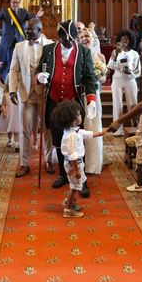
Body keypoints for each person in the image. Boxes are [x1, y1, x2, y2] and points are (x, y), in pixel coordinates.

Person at [36, 21, 97, 195]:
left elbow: (89, 78)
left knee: (77, 143)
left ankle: (81, 179)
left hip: (74, 103)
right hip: (54, 102)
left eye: (72, 40)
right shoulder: (48, 50)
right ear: (59, 37)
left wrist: (91, 100)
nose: (69, 43)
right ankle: (63, 175)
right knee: (59, 142)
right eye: (65, 40)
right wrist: (39, 75)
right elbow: (39, 69)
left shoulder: (84, 52)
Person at [8, 18, 54, 177]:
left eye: (30, 30)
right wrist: (12, 90)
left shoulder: (50, 45)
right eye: (26, 29)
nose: (26, 32)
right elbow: (13, 70)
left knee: (47, 129)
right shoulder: (19, 46)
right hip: (25, 94)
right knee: (24, 130)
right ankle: (24, 163)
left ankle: (48, 160)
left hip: (45, 94)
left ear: (39, 29)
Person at [51, 100, 106, 218]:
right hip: (74, 164)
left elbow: (87, 133)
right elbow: (72, 156)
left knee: (75, 185)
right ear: (73, 120)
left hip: (75, 163)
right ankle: (68, 209)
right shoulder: (71, 136)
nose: (81, 116)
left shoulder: (73, 131)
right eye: (79, 114)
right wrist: (76, 170)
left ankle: (70, 202)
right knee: (75, 186)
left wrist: (102, 133)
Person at [0, 0, 43, 82]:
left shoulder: (23, 12)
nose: (15, 4)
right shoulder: (5, 11)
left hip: (20, 41)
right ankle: (8, 80)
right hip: (8, 42)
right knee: (10, 63)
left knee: (20, 61)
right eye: (13, 2)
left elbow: (31, 17)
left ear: (19, 3)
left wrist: (37, 15)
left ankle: (20, 79)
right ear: (10, 2)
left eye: (17, 2)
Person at [79, 27, 106, 173]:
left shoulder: (100, 57)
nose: (84, 39)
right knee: (80, 128)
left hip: (94, 95)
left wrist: (97, 77)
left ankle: (93, 165)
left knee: (93, 127)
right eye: (82, 36)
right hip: (80, 95)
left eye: (87, 36)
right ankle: (79, 161)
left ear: (93, 38)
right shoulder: (77, 54)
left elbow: (104, 78)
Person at [107, 30, 141, 136]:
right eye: (122, 39)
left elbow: (138, 70)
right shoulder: (115, 52)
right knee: (117, 104)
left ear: (130, 40)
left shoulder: (135, 54)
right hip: (117, 80)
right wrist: (116, 55)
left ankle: (137, 127)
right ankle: (118, 129)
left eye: (126, 39)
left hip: (130, 80)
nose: (124, 41)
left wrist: (130, 72)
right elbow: (110, 66)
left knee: (133, 104)